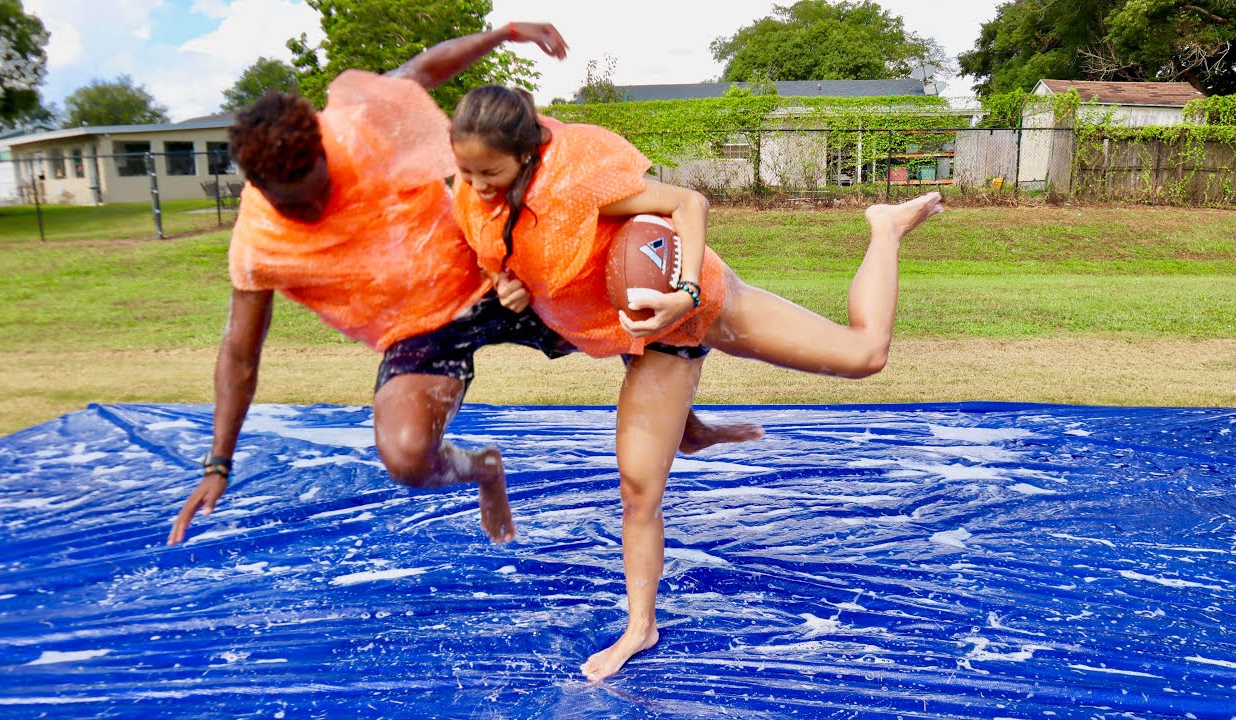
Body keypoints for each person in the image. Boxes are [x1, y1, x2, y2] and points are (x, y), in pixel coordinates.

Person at [167, 25, 756, 548]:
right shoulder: (258, 243)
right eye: (300, 206)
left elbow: (424, 69)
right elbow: (240, 354)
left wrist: (500, 36)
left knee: (627, 292)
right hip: (421, 329)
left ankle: (686, 422)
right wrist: (218, 463)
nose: (321, 205)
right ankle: (486, 469)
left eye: (322, 187)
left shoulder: (352, 129)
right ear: (261, 190)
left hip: (497, 272)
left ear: (323, 149)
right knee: (405, 457)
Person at [448, 85, 945, 681]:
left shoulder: (576, 186)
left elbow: (690, 202)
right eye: (466, 170)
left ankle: (884, 228)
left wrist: (679, 292)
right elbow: (516, 255)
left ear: (526, 156)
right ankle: (642, 619)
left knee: (865, 354)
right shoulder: (477, 196)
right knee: (644, 475)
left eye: (490, 172)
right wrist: (514, 288)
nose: (476, 186)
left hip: (693, 306)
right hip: (637, 336)